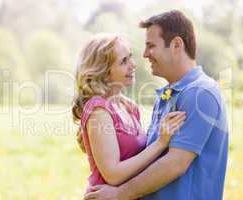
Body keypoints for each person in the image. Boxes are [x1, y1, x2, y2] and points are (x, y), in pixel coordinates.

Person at [84, 10, 229, 200]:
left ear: (176, 45)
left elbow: (174, 164)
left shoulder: (200, 93)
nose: (144, 55)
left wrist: (120, 194)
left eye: (151, 46)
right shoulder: (168, 95)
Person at [72, 33, 186, 194]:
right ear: (103, 71)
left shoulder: (128, 107)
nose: (133, 65)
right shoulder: (99, 111)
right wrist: (160, 143)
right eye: (123, 61)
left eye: (130, 58)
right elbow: (113, 175)